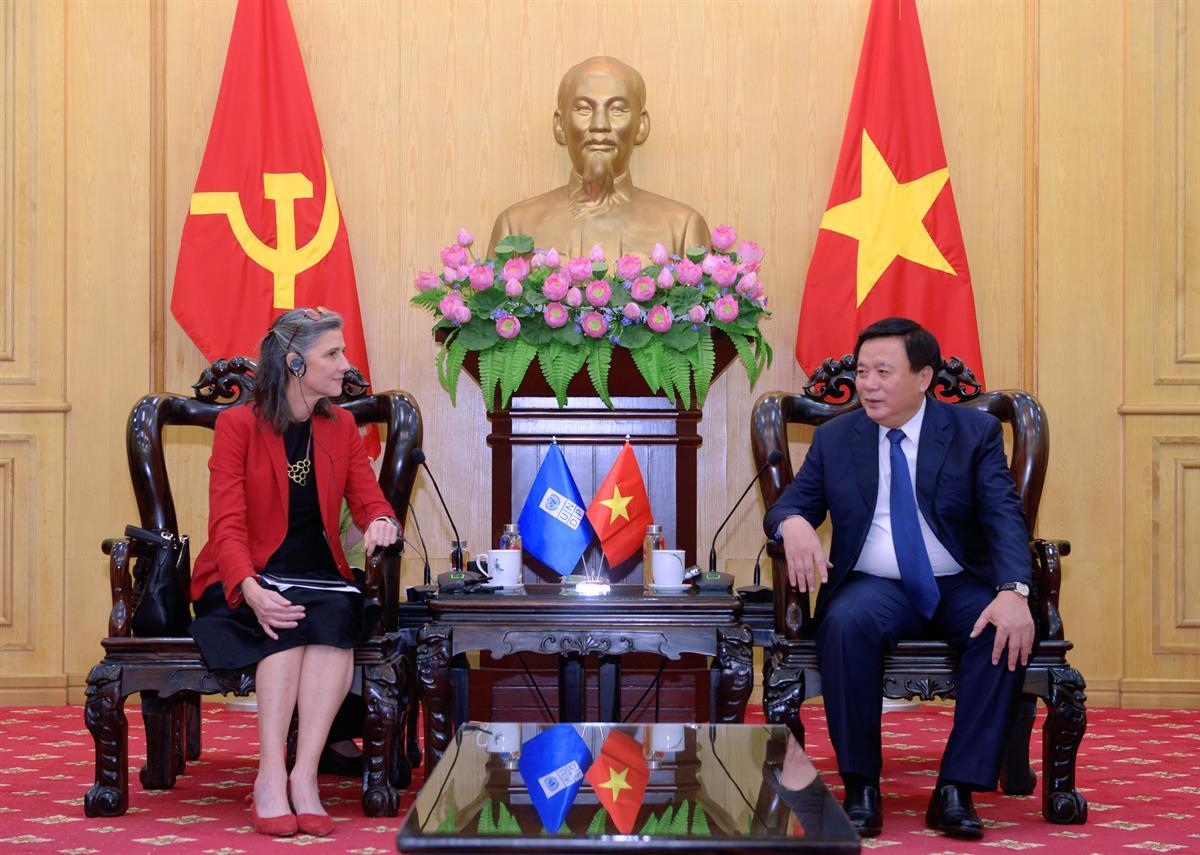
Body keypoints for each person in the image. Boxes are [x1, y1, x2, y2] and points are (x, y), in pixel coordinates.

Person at [762, 317, 1034, 840]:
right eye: (863, 371)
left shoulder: (972, 433)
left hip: (956, 579)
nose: (868, 384)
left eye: (883, 372)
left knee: (1003, 628)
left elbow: (1004, 516)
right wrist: (791, 521)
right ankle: (861, 785)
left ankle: (956, 788)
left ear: (924, 376)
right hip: (875, 584)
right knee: (843, 624)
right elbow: (795, 503)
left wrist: (1013, 591)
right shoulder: (838, 437)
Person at [189, 307, 399, 837]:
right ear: (294, 363)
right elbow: (227, 525)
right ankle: (268, 777)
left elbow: (371, 499)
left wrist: (380, 521)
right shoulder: (238, 426)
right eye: (332, 353)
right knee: (283, 620)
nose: (345, 365)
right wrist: (250, 589)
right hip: (246, 575)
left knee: (333, 615)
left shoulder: (341, 424)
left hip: (317, 574)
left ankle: (304, 777)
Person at [487, 56, 710, 261]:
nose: (600, 125)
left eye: (617, 109)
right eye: (584, 109)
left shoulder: (683, 228)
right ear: (560, 125)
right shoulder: (516, 226)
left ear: (641, 126)